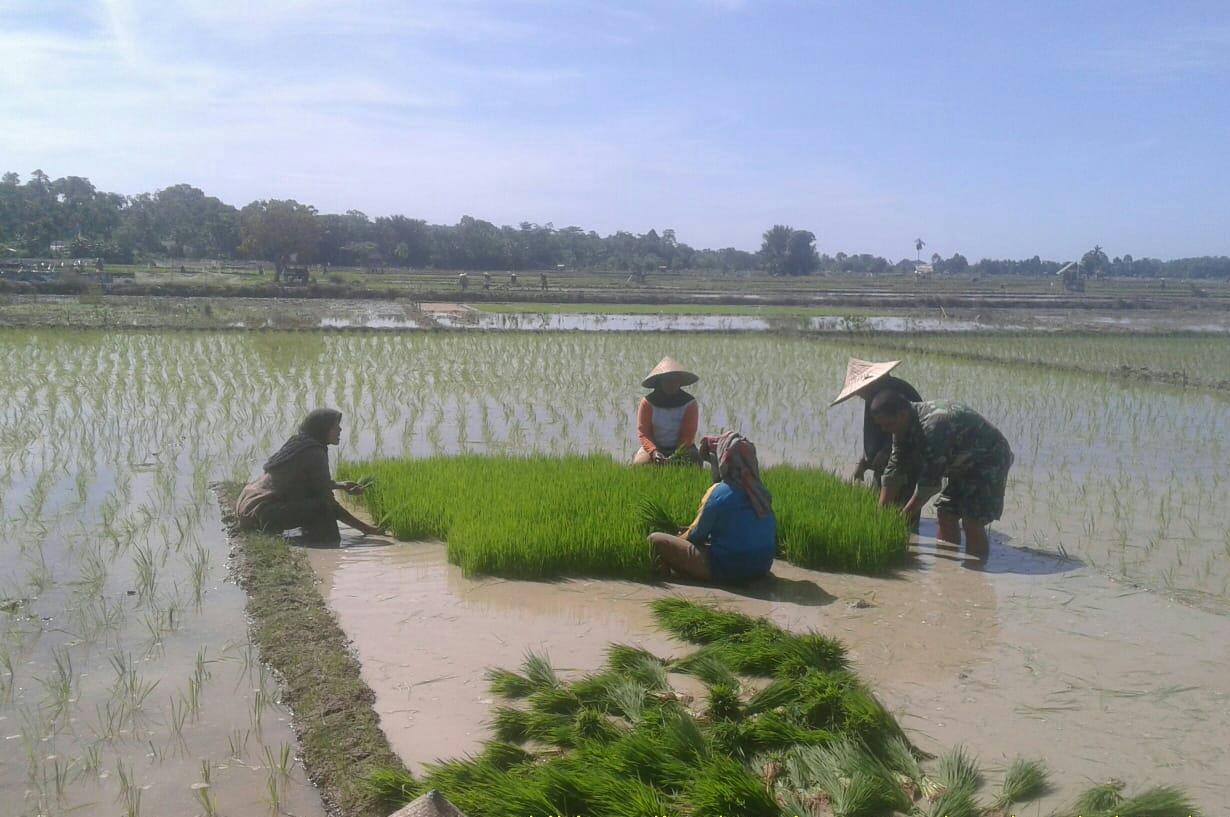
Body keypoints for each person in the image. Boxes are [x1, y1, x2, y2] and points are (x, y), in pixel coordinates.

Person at [868, 392, 1013, 561]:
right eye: (882, 426)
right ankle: (947, 570)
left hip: (989, 460)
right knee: (946, 513)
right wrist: (881, 512)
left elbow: (929, 484)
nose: (886, 430)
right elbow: (895, 468)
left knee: (972, 520)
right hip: (961, 462)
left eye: (888, 424)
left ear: (902, 414)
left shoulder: (934, 426)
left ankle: (976, 569)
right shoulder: (900, 427)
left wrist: (903, 517)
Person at [235, 409, 386, 545]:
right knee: (325, 513)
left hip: (248, 506)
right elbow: (328, 502)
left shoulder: (300, 443)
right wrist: (366, 529)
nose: (340, 429)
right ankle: (310, 544)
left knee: (316, 505)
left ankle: (302, 538)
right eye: (335, 426)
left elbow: (303, 482)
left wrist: (341, 485)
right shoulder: (315, 453)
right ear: (323, 429)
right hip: (264, 513)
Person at [648, 432, 776, 583]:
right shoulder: (761, 491)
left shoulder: (718, 493)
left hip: (728, 569)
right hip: (762, 566)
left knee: (655, 540)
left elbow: (695, 536)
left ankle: (668, 584)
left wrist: (678, 536)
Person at [829, 357, 922, 496]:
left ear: (870, 383)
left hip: (904, 459)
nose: (858, 394)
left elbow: (904, 429)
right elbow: (878, 432)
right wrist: (864, 462)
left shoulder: (894, 394)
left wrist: (885, 451)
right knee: (878, 502)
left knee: (896, 506)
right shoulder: (874, 395)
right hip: (885, 461)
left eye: (859, 390)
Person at [633, 356, 700, 465]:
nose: (672, 384)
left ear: (680, 382)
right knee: (640, 464)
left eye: (675, 380)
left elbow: (688, 435)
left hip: (683, 447)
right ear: (659, 382)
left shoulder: (689, 403)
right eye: (668, 380)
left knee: (695, 462)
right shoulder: (647, 403)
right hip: (655, 447)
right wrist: (654, 452)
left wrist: (676, 455)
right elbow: (644, 434)